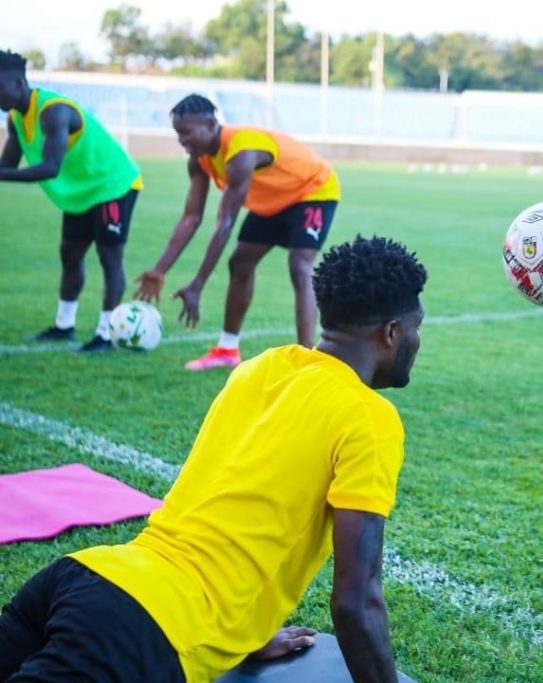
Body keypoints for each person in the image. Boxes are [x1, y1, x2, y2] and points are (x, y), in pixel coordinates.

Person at [0, 235, 427, 682]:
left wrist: (247, 634)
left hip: (83, 576)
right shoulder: (370, 417)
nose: (417, 341)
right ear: (392, 333)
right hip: (142, 628)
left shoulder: (263, 367)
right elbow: (356, 603)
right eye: (417, 328)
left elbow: (232, 501)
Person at [135, 93, 341, 371]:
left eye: (186, 132)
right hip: (272, 200)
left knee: (300, 265)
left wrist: (197, 285)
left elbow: (225, 223)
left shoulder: (241, 152)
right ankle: (227, 350)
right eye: (177, 134)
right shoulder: (199, 159)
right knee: (240, 262)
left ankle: (307, 361)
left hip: (312, 190)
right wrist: (159, 270)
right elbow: (191, 218)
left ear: (210, 123)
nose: (182, 140)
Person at [0, 49, 143, 352]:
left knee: (109, 257)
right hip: (80, 194)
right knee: (70, 254)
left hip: (112, 185)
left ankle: (106, 333)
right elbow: (7, 166)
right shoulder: (16, 119)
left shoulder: (53, 112)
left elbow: (50, 167)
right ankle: (64, 326)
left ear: (17, 82)